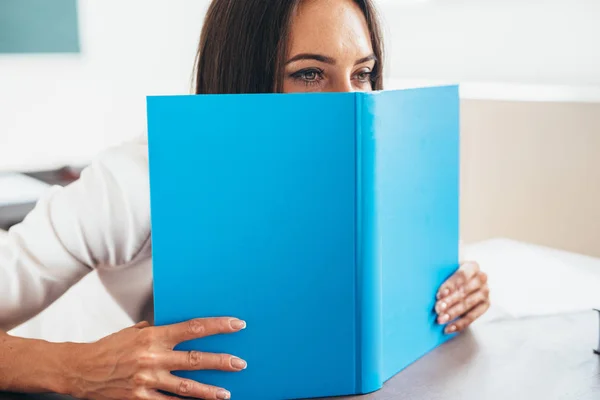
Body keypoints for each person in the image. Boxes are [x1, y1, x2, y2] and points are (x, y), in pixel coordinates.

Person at [0, 0, 490, 399]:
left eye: (361, 73)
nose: (352, 102)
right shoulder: (137, 178)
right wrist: (76, 367)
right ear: (244, 72)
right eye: (310, 74)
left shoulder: (373, 169)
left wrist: (452, 291)